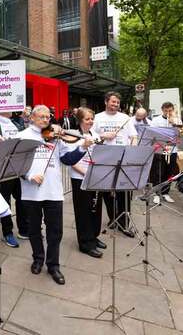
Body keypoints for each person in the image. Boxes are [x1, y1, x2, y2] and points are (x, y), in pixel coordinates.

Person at [16, 105, 91, 284]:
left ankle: (53, 265)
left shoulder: (56, 137)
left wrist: (82, 148)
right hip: (31, 192)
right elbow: (15, 164)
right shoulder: (22, 136)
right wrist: (28, 176)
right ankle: (38, 259)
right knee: (34, 230)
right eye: (41, 117)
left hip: (54, 191)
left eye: (47, 117)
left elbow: (67, 159)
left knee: (55, 231)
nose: (45, 120)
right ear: (32, 118)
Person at [91, 91, 138, 237]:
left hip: (123, 157)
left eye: (117, 102)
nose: (115, 105)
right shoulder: (97, 117)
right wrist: (104, 136)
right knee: (107, 191)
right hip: (104, 158)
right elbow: (91, 136)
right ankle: (113, 217)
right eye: (113, 102)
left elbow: (133, 136)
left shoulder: (125, 118)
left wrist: (133, 148)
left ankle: (124, 222)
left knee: (123, 191)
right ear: (106, 102)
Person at [0, 106, 28, 247]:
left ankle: (23, 229)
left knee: (21, 199)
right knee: (4, 202)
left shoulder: (15, 122)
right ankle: (7, 232)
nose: (12, 108)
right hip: (2, 169)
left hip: (16, 167)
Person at [68, 107, 106, 258]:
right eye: (87, 119)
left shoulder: (94, 134)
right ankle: (85, 243)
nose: (90, 121)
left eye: (92, 119)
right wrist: (86, 173)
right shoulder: (72, 135)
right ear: (80, 120)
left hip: (94, 177)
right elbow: (71, 160)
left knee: (96, 209)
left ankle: (93, 236)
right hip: (80, 177)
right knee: (83, 211)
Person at [149, 102, 181, 204]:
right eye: (166, 110)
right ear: (162, 110)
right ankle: (156, 193)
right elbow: (153, 133)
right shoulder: (156, 120)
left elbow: (181, 133)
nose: (168, 112)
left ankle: (165, 192)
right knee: (158, 172)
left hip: (172, 149)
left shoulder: (177, 119)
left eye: (170, 110)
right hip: (160, 148)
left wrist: (174, 124)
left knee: (170, 171)